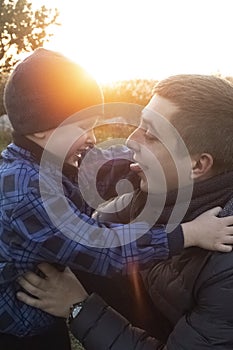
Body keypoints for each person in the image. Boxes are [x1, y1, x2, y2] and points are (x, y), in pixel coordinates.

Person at [0, 49, 225, 349]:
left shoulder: (52, 157)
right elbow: (101, 247)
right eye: (83, 127)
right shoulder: (26, 192)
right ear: (42, 132)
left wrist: (141, 165)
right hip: (21, 325)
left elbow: (103, 166)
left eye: (151, 135)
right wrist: (187, 234)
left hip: (41, 306)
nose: (93, 137)